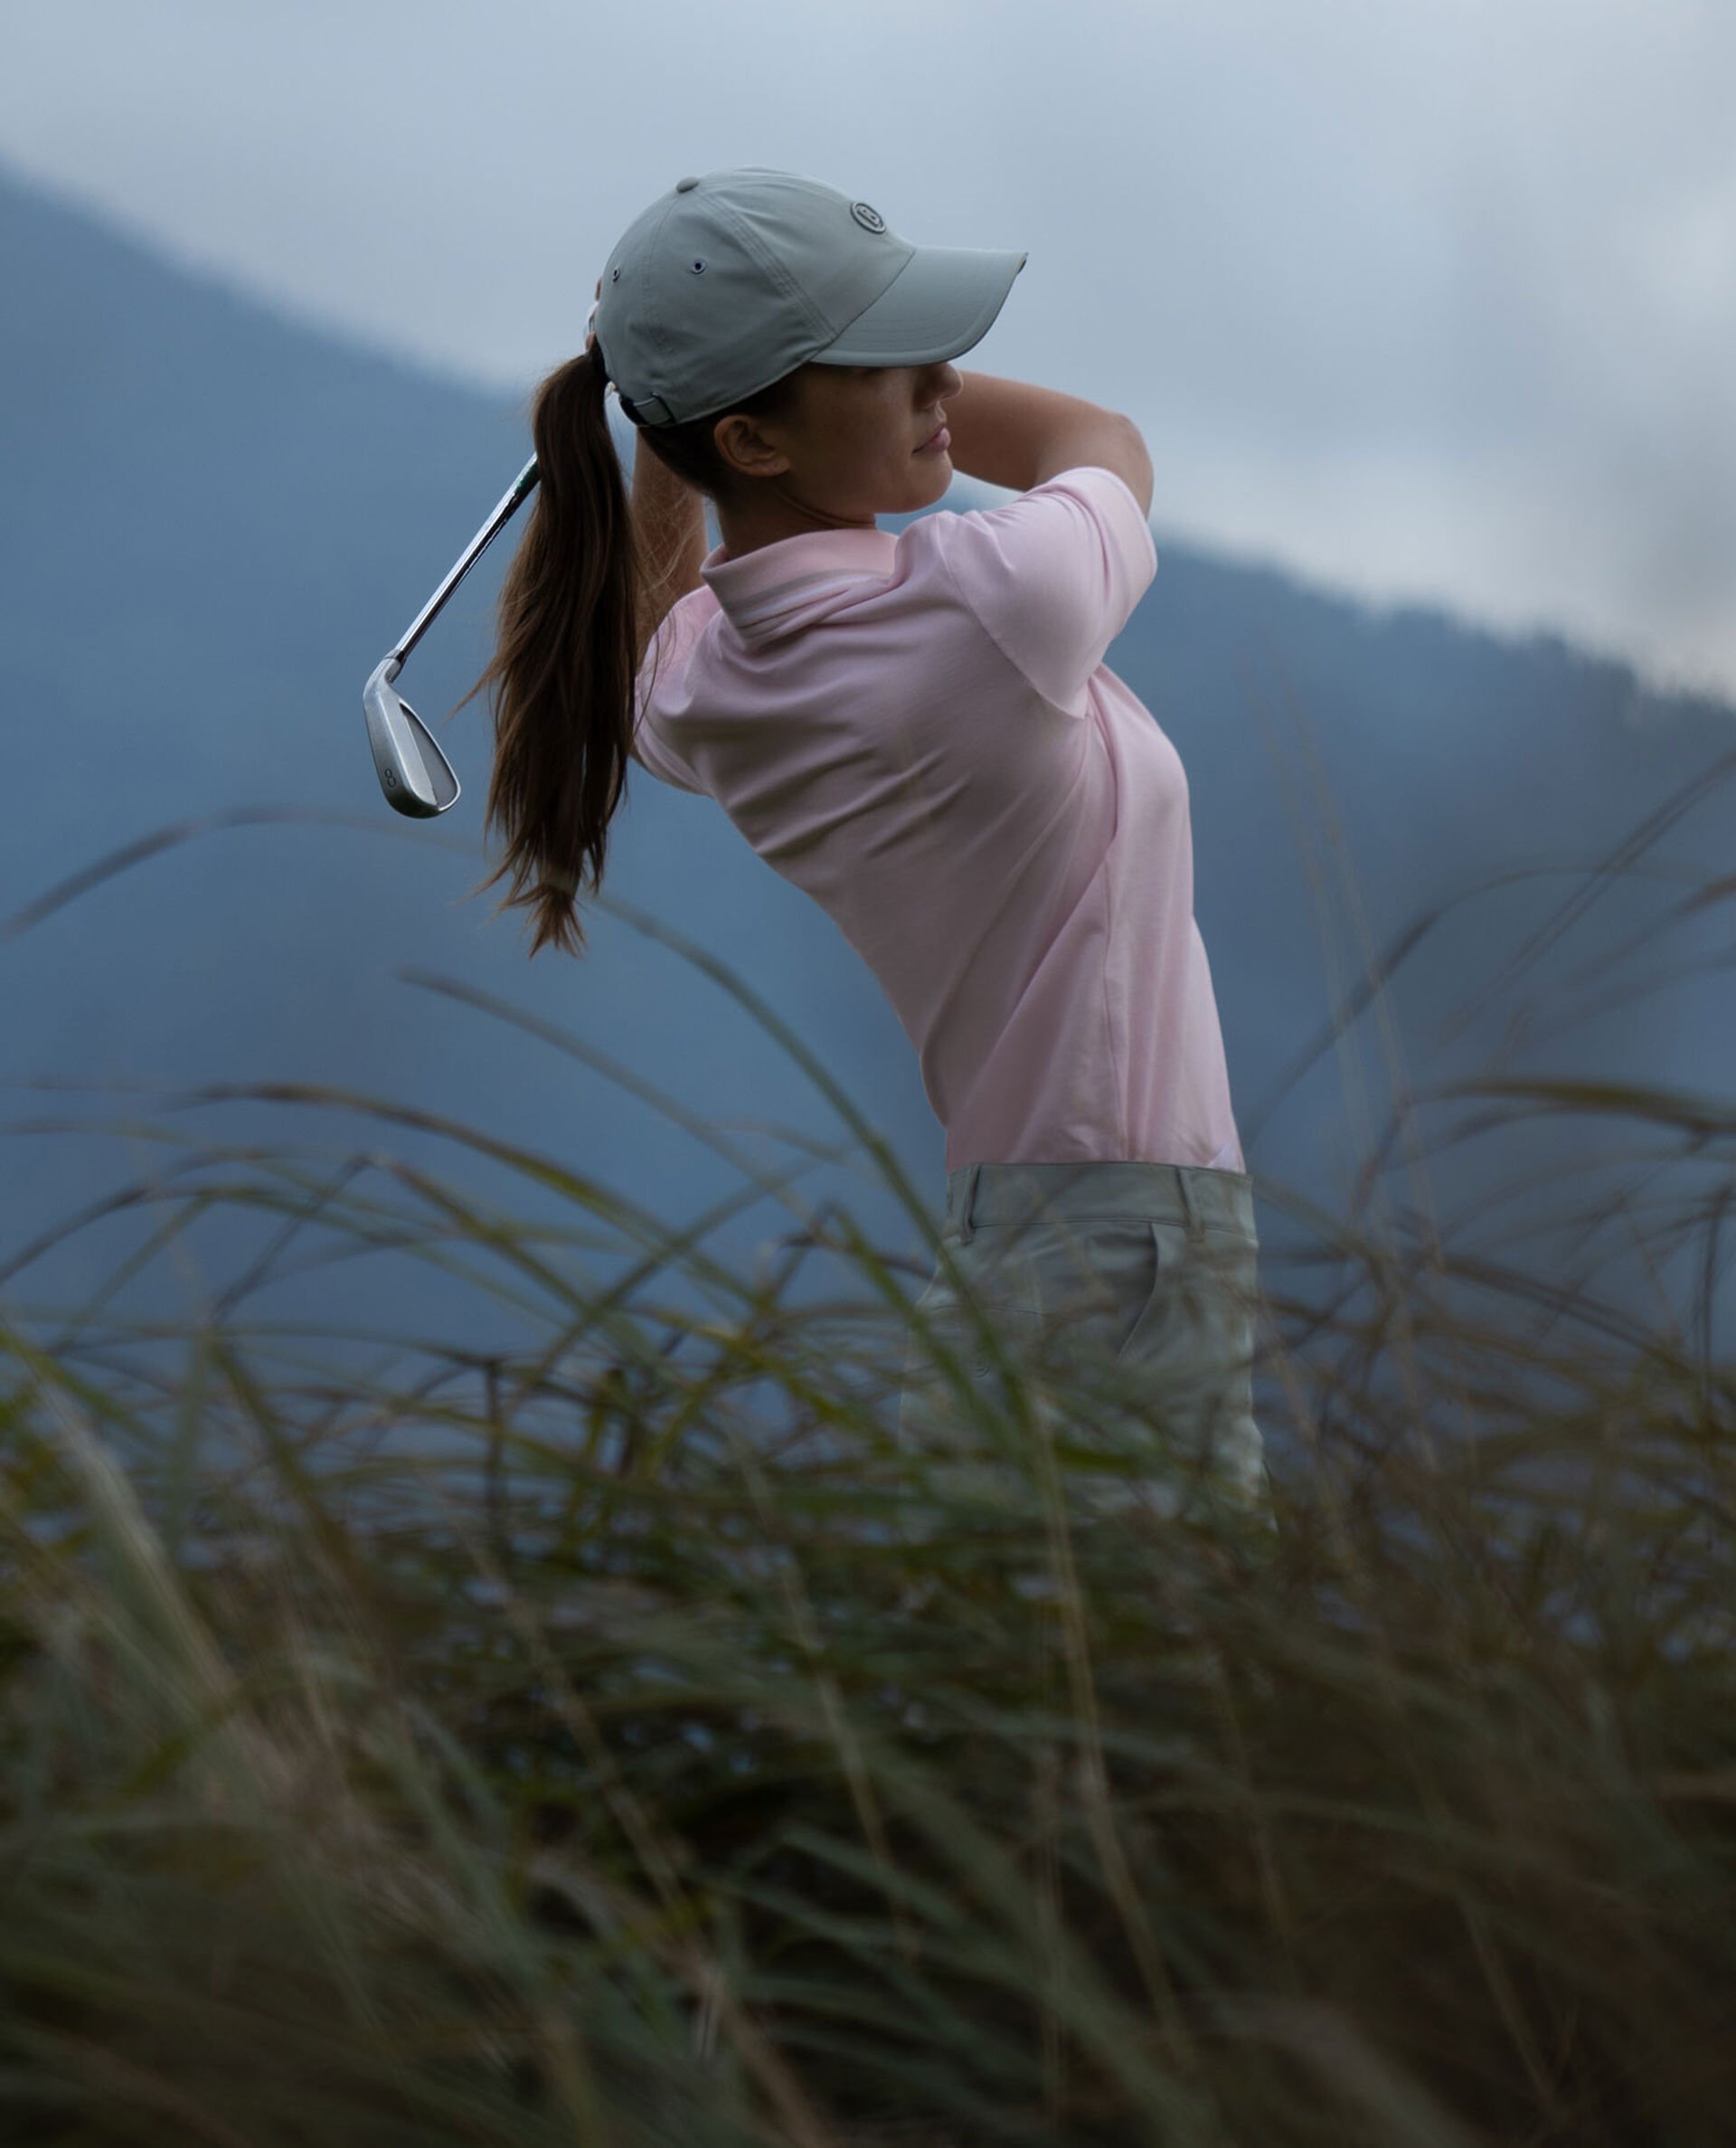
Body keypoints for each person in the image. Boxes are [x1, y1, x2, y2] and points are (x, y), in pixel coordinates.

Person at [458, 166, 1274, 1533]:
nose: (943, 376)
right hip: (1126, 1243)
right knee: (1197, 1714)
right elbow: (1100, 434)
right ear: (756, 442)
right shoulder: (993, 600)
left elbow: (657, 611)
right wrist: (660, 379)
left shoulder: (711, 683)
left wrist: (663, 386)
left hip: (1023, 1248)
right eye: (884, 355)